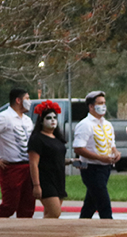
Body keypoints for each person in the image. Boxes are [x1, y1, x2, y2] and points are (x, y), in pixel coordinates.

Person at [0, 88, 35, 218]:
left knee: (27, 205)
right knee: (10, 205)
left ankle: (23, 233)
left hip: (28, 166)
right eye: (27, 98)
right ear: (18, 100)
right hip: (11, 167)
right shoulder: (4, 117)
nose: (29, 102)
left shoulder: (27, 120)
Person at [73, 90, 120, 219]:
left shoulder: (108, 125)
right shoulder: (85, 125)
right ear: (91, 106)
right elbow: (78, 148)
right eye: (100, 103)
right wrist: (100, 158)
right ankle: (108, 225)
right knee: (103, 201)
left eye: (104, 103)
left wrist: (116, 153)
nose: (103, 106)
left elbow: (112, 144)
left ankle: (83, 223)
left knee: (91, 202)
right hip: (91, 168)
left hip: (105, 168)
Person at [27, 100, 68, 218]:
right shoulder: (37, 139)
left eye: (55, 117)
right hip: (45, 180)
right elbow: (33, 164)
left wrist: (71, 161)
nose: (53, 120)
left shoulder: (57, 138)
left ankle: (45, 234)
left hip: (58, 179)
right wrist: (36, 185)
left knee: (50, 214)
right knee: (55, 212)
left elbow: (56, 158)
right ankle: (35, 234)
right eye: (49, 118)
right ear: (41, 121)